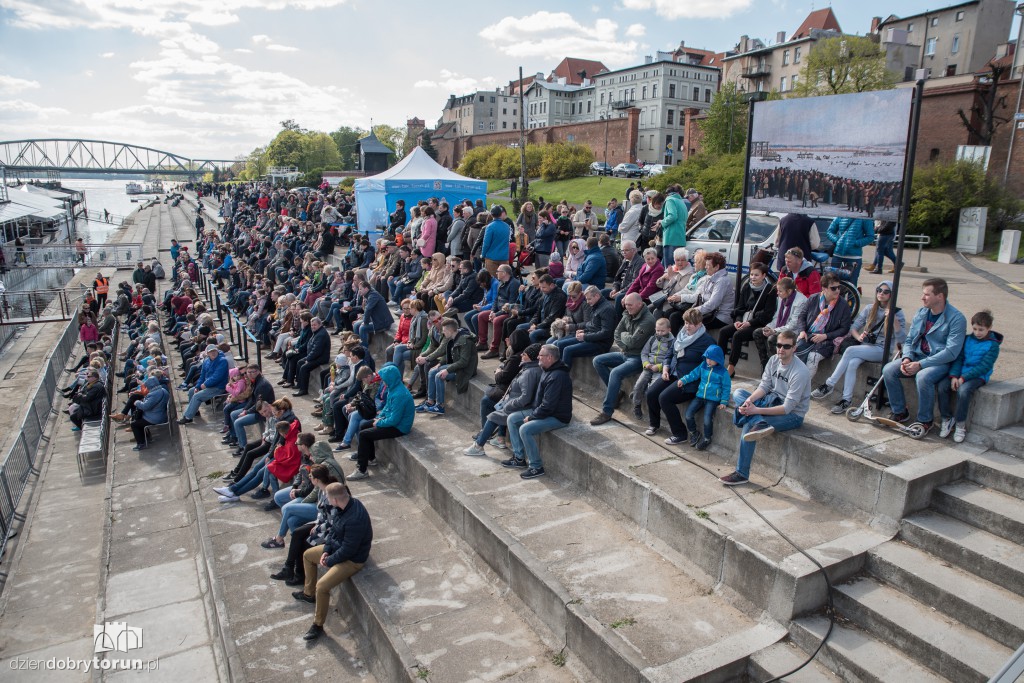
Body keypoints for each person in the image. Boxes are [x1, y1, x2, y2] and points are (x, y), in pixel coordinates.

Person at [721, 329, 811, 486]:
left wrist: (755, 410)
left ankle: (742, 474)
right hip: (771, 401)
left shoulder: (800, 371)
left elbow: (787, 408)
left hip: (793, 415)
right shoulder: (774, 360)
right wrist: (749, 402)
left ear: (794, 348)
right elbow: (764, 386)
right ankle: (759, 421)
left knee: (749, 426)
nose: (781, 349)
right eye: (779, 345)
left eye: (786, 346)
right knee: (739, 393)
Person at [881, 278, 966, 433]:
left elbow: (951, 352)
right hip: (917, 356)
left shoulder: (956, 319)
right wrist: (907, 358)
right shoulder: (922, 312)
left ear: (940, 296)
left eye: (927, 294)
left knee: (923, 376)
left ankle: (925, 420)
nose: (922, 298)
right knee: (888, 370)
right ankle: (900, 411)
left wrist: (920, 365)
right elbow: (909, 340)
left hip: (940, 362)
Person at [811, 280, 906, 414]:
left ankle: (829, 384)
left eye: (886, 292)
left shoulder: (897, 313)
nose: (881, 294)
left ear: (892, 295)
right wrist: (859, 337)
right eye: (879, 290)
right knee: (852, 363)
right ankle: (846, 400)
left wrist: (894, 320)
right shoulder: (870, 308)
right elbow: (853, 327)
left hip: (882, 350)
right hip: (865, 346)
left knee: (850, 351)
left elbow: (902, 339)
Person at [293, 482, 372, 642]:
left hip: (353, 560)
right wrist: (327, 550)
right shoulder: (343, 507)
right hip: (337, 550)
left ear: (335, 500)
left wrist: (329, 560)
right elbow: (333, 532)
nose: (327, 500)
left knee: (322, 586)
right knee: (308, 555)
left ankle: (318, 625)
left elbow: (349, 550)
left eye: (328, 498)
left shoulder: (354, 518)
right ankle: (308, 594)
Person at [501, 344, 572, 480]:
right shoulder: (547, 369)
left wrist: (532, 417)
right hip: (543, 411)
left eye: (541, 355)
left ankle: (536, 466)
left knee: (525, 429)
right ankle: (519, 458)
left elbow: (548, 406)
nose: (538, 357)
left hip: (557, 417)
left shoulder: (557, 376)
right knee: (512, 419)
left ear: (549, 357)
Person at [646, 307, 715, 442]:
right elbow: (670, 353)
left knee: (665, 398)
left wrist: (689, 379)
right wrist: (665, 368)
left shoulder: (707, 342)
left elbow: (709, 366)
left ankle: (680, 434)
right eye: (686, 322)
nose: (687, 326)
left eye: (691, 323)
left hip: (690, 381)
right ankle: (654, 424)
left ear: (699, 324)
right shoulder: (681, 334)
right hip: (673, 373)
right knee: (651, 393)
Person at [464, 343, 543, 456]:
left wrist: (509, 404)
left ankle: (478, 446)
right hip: (517, 403)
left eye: (524, 354)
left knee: (493, 416)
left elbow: (526, 397)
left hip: (521, 406)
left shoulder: (530, 373)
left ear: (531, 357)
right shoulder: (529, 368)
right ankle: (493, 439)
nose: (521, 355)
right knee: (497, 413)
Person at [590, 293, 655, 425]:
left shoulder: (648, 320)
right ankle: (617, 393)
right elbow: (616, 333)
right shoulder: (628, 313)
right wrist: (625, 343)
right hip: (625, 352)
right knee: (597, 360)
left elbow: (634, 342)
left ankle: (607, 412)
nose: (627, 307)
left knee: (615, 373)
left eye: (630, 305)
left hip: (638, 358)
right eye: (626, 305)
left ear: (639, 304)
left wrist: (624, 337)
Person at [937, 310, 1001, 443]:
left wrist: (963, 378)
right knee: (943, 386)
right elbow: (959, 358)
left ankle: (960, 425)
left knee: (964, 390)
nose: (977, 333)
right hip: (960, 373)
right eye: (975, 329)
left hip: (979, 375)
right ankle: (946, 419)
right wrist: (954, 376)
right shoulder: (967, 339)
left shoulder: (993, 345)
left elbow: (984, 366)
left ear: (989, 328)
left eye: (981, 330)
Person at [348, 365, 414, 480]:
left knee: (364, 435)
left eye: (384, 379)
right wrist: (379, 418)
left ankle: (361, 470)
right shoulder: (393, 388)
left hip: (400, 427)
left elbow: (394, 420)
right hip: (393, 421)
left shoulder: (399, 394)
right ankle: (370, 458)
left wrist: (379, 423)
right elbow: (387, 408)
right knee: (363, 425)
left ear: (390, 379)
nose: (383, 381)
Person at [718, 262, 777, 377]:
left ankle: (731, 368)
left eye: (756, 275)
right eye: (751, 274)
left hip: (758, 323)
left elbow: (767, 314)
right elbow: (740, 307)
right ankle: (718, 363)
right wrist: (738, 321)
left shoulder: (769, 290)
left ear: (764, 275)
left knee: (737, 335)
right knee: (723, 332)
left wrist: (749, 323)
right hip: (744, 320)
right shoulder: (747, 286)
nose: (753, 277)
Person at [795, 272, 852, 378]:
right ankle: (791, 382)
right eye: (833, 288)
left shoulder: (843, 305)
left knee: (813, 357)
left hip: (828, 341)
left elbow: (845, 328)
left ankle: (802, 385)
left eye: (839, 287)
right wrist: (802, 331)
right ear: (824, 288)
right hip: (809, 335)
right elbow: (801, 316)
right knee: (795, 352)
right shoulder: (813, 299)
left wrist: (825, 336)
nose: (837, 290)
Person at [417, 317, 479, 415]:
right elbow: (450, 355)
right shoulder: (454, 337)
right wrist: (440, 364)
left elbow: (464, 362)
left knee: (439, 375)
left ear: (450, 330)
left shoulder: (464, 341)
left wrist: (447, 370)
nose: (443, 332)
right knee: (432, 371)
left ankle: (440, 406)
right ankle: (430, 402)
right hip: (457, 367)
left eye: (444, 330)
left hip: (465, 371)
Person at [679, 345, 731, 450]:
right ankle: (694, 433)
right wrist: (683, 380)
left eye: (712, 359)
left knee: (707, 419)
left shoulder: (723, 372)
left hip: (712, 400)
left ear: (718, 359)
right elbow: (694, 374)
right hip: (700, 396)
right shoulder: (703, 365)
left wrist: (724, 401)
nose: (708, 361)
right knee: (688, 414)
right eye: (707, 358)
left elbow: (726, 387)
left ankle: (707, 438)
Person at [552, 285, 616, 369]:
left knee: (567, 350)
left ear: (597, 296)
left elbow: (606, 333)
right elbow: (592, 325)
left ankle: (562, 374)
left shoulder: (606, 309)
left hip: (601, 344)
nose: (588, 302)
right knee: (559, 344)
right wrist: (584, 331)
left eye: (589, 299)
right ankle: (557, 371)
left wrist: (585, 336)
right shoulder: (596, 305)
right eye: (587, 299)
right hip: (591, 337)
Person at [753, 277, 808, 371]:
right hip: (780, 329)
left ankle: (779, 367)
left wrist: (774, 331)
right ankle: (765, 364)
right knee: (757, 332)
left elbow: (793, 325)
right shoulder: (781, 298)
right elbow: (776, 317)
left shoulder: (801, 301)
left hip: (793, 332)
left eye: (780, 291)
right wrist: (768, 327)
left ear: (789, 291)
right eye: (777, 290)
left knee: (772, 339)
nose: (777, 293)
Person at [632, 317, 674, 420]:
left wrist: (659, 367)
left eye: (662, 331)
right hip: (648, 367)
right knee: (638, 385)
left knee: (651, 391)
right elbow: (644, 353)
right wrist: (646, 363)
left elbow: (672, 359)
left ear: (669, 329)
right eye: (657, 330)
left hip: (660, 370)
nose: (659, 333)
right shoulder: (652, 339)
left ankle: (638, 394)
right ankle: (636, 405)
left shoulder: (672, 342)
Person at [177, 344, 229, 424]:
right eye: (211, 352)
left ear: (217, 351)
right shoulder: (206, 361)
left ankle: (188, 417)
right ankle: (195, 411)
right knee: (191, 391)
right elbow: (202, 375)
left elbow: (217, 377)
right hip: (208, 386)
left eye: (214, 351)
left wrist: (205, 384)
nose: (213, 353)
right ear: (207, 353)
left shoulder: (222, 361)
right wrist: (198, 386)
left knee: (197, 396)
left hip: (218, 387)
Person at [826, 217, 874, 285]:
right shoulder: (841, 216)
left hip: (854, 256)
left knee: (852, 283)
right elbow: (829, 231)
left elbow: (870, 237)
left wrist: (856, 243)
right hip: (838, 254)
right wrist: (837, 240)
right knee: (832, 282)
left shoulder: (864, 217)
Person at [292, 316, 331, 396]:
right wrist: (308, 358)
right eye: (312, 325)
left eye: (315, 325)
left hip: (321, 358)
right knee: (299, 362)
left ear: (320, 325)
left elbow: (317, 351)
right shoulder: (317, 332)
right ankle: (299, 384)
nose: (313, 326)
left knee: (304, 368)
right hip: (315, 356)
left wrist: (308, 359)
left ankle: (303, 390)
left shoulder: (321, 334)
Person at [130, 375, 169, 450]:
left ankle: (141, 444)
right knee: (139, 421)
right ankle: (147, 438)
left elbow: (145, 406)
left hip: (155, 418)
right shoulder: (163, 390)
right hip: (162, 415)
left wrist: (137, 402)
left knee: (134, 424)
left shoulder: (154, 394)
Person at [657, 185, 687, 269]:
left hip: (671, 237)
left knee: (669, 268)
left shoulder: (670, 200)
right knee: (678, 268)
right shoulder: (681, 202)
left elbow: (672, 216)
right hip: (680, 237)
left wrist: (662, 222)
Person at [481, 206, 511, 275]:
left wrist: (483, 254)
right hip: (504, 257)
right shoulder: (507, 226)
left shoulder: (490, 226)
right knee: (504, 278)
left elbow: (486, 243)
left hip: (491, 257)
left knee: (493, 278)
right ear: (501, 214)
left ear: (491, 215)